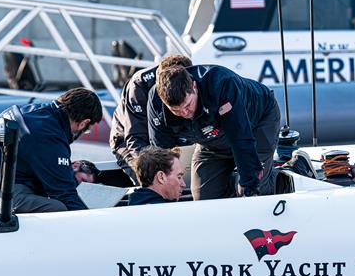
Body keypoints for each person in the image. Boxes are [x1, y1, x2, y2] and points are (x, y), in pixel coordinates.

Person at [0, 87, 102, 215]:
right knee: (57, 207)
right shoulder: (47, 136)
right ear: (84, 123)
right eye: (86, 130)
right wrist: (94, 222)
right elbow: (65, 194)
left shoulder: (34, 113)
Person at [149, 64, 281, 200]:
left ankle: (289, 170)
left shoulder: (222, 84)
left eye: (188, 105)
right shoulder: (156, 104)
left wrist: (250, 184)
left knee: (253, 189)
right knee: (204, 197)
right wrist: (158, 193)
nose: (184, 113)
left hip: (256, 124)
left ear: (194, 87)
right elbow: (161, 154)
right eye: (176, 110)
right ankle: (232, 185)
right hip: (211, 138)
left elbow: (240, 138)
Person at [109, 54, 192, 185]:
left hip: (170, 135)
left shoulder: (193, 78)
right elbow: (135, 139)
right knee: (153, 180)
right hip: (128, 140)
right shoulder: (139, 85)